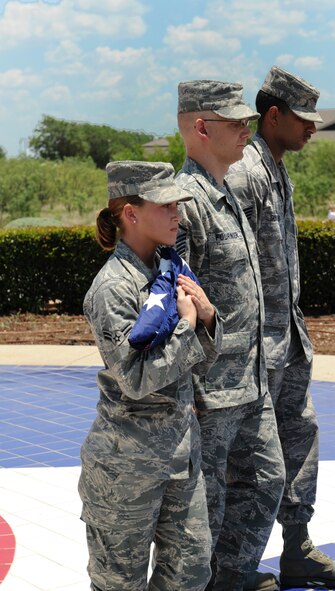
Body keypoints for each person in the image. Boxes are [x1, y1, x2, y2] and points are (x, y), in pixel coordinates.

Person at [227, 67, 335, 588]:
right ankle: (234, 568)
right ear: (273, 115)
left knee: (298, 443)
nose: (312, 128)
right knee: (250, 464)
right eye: (302, 119)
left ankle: (296, 550)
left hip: (287, 341)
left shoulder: (275, 168)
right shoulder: (244, 173)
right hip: (256, 348)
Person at [78, 160, 223, 591]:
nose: (178, 212)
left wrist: (209, 319)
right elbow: (135, 379)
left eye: (178, 202)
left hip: (180, 454)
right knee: (121, 583)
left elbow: (200, 362)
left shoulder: (170, 271)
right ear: (131, 214)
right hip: (127, 467)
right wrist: (186, 325)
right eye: (166, 204)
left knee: (191, 573)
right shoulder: (112, 289)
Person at [175, 80, 285, 591]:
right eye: (235, 122)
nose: (248, 129)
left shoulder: (226, 191)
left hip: (251, 379)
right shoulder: (185, 204)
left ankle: (234, 577)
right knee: (207, 507)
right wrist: (188, 388)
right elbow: (177, 308)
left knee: (266, 481)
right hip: (212, 391)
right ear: (201, 127)